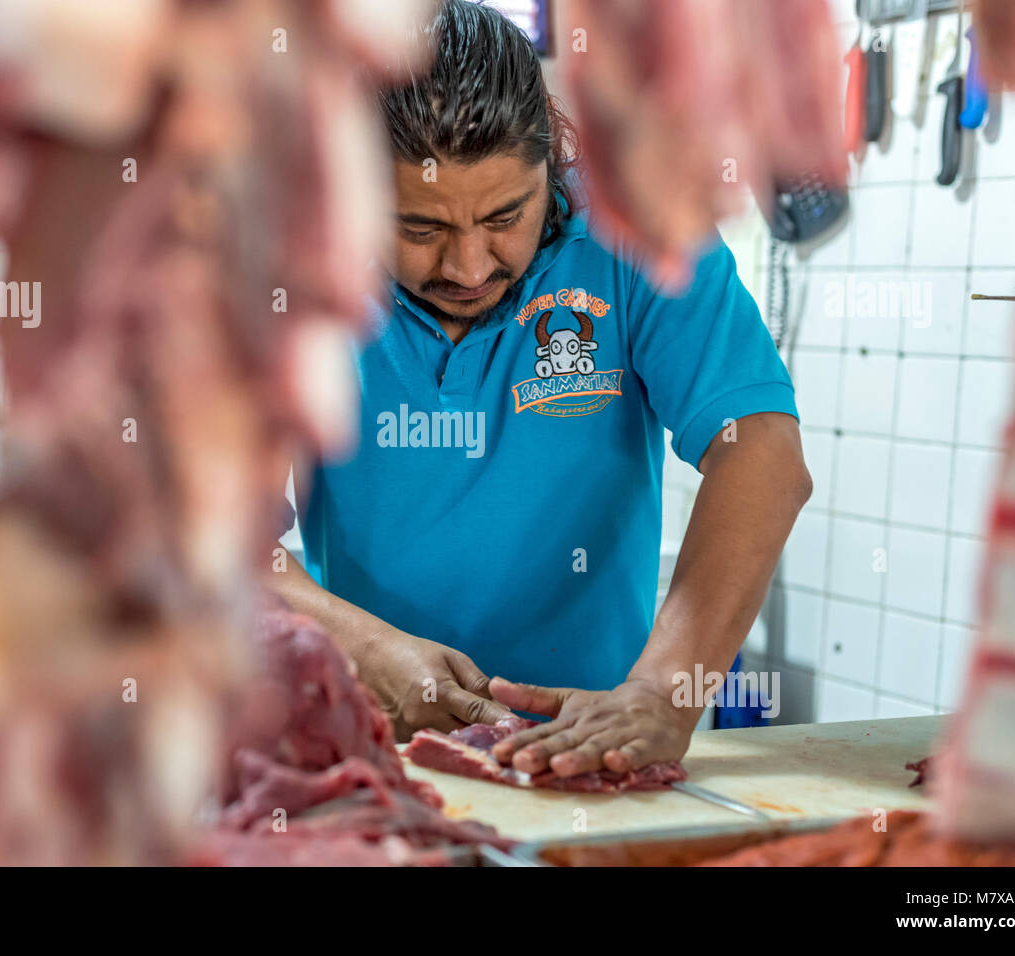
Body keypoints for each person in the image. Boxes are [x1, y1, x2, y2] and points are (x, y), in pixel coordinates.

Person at [272, 0, 811, 781]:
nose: (467, 267)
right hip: (361, 751)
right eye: (419, 229)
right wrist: (359, 645)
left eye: (505, 215)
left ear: (552, 153)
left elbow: (761, 453)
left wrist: (661, 691)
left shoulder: (638, 223)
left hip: (593, 759)